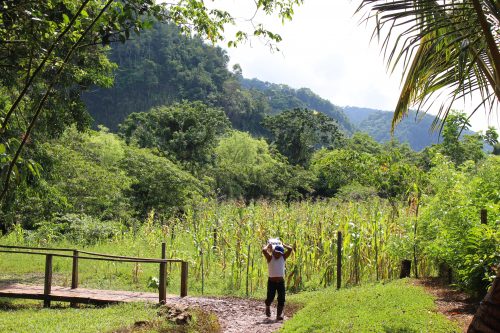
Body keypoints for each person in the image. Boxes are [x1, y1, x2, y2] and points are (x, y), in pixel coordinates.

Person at [262, 241, 293, 320]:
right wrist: (268, 246)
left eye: (279, 253)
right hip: (271, 282)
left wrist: (284, 245)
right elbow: (263, 250)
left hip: (280, 282)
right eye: (276, 252)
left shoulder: (283, 257)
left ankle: (279, 315)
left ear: (281, 253)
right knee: (270, 297)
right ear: (274, 251)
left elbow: (290, 249)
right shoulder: (270, 258)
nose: (277, 254)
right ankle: (267, 306)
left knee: (281, 298)